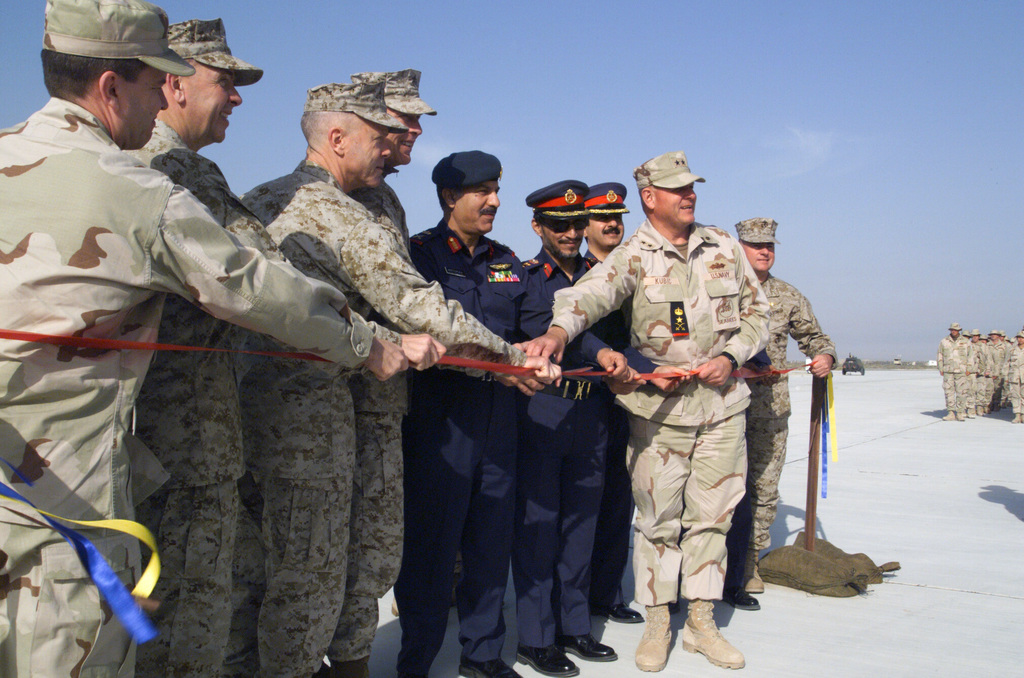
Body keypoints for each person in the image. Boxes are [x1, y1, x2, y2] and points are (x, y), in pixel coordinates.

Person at [0, 2, 409, 676]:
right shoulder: (137, 194)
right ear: (110, 87)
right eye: (153, 81)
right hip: (68, 523)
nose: (162, 97)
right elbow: (257, 289)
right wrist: (366, 344)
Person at [523, 151, 769, 671]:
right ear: (649, 198)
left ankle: (701, 622)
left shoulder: (722, 244)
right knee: (659, 522)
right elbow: (585, 296)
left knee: (712, 520)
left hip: (724, 410)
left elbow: (757, 317)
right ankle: (659, 623)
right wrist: (558, 333)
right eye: (677, 188)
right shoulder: (634, 256)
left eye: (693, 187)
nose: (690, 195)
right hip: (661, 416)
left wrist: (730, 357)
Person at [123, 18, 274, 676]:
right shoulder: (181, 173)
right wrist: (376, 343)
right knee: (195, 619)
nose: (237, 97)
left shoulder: (121, 159)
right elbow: (271, 283)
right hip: (190, 450)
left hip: (142, 447)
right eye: (225, 82)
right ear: (176, 86)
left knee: (151, 612)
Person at [396, 151, 559, 678]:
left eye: (496, 190)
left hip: (501, 424)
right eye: (482, 192)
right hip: (439, 427)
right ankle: (415, 659)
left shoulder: (507, 260)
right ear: (449, 197)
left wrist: (544, 351)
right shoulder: (416, 257)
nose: (493, 201)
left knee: (490, 545)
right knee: (431, 550)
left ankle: (483, 653)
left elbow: (533, 325)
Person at [318, 68, 437, 678]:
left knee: (374, 552)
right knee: (313, 563)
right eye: (403, 119)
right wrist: (509, 357)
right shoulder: (316, 198)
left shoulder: (385, 196)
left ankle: (354, 664)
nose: (413, 131)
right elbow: (408, 303)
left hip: (382, 405)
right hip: (318, 414)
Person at [514, 180, 633, 675]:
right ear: (538, 227)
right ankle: (536, 637)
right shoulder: (524, 278)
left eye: (575, 224)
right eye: (558, 225)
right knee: (539, 532)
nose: (569, 233)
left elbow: (627, 338)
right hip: (544, 415)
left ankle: (575, 626)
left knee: (581, 529)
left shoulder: (603, 278)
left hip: (593, 418)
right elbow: (546, 324)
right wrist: (602, 353)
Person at [732, 217, 836, 601]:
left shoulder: (787, 295)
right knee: (715, 489)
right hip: (719, 407)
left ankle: (749, 563)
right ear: (738, 246)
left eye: (770, 245)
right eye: (755, 244)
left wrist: (824, 355)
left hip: (768, 411)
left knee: (763, 487)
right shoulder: (720, 291)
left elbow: (815, 337)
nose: (764, 251)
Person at [582, 183, 646, 625]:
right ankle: (576, 600)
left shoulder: (636, 272)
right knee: (582, 507)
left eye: (618, 217)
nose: (612, 224)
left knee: (618, 504)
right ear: (583, 226)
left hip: (626, 403)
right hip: (583, 401)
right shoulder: (577, 274)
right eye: (602, 218)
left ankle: (607, 595)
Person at [937, 323, 970, 421]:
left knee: (962, 392)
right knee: (948, 392)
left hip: (961, 370)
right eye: (952, 329)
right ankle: (951, 412)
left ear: (959, 330)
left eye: (955, 329)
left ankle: (960, 412)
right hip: (948, 371)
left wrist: (969, 368)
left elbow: (970, 356)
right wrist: (941, 368)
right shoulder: (944, 342)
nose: (954, 331)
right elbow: (940, 355)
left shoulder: (966, 341)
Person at [1006, 331, 1024, 423]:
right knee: (1015, 396)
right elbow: (1007, 363)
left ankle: (1023, 414)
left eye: (1022, 338)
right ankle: (1017, 415)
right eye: (1019, 338)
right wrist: (1005, 376)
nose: (1020, 339)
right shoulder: (1012, 350)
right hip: (1014, 376)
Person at [966, 330, 982, 418]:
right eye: (973, 336)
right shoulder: (967, 345)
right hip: (963, 372)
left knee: (972, 391)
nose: (975, 337)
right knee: (963, 391)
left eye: (976, 336)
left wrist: (979, 370)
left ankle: (971, 410)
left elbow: (983, 359)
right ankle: (963, 409)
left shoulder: (981, 346)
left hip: (973, 372)